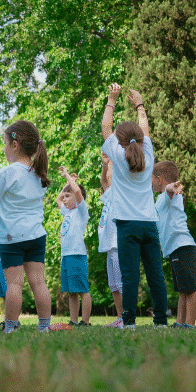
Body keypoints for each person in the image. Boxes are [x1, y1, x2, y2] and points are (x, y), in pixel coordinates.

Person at [101, 83, 168, 329]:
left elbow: (105, 127)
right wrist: (140, 105)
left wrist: (112, 99)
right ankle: (160, 322)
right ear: (140, 140)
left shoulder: (118, 158)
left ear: (119, 142)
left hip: (127, 225)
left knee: (129, 276)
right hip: (150, 224)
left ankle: (128, 323)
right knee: (156, 276)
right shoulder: (148, 156)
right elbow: (145, 131)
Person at [0, 120, 53, 333]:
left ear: (14, 145)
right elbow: (23, 201)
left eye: (4, 143)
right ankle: (44, 327)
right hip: (36, 236)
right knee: (39, 282)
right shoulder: (39, 172)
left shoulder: (7, 172)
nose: (3, 149)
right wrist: (0, 207)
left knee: (14, 284)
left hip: (12, 237)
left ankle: (10, 327)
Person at [152, 161, 196, 328]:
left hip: (183, 246)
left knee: (190, 289)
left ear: (159, 179)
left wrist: (172, 187)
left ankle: (190, 323)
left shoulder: (170, 195)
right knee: (182, 290)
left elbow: (170, 189)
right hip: (174, 249)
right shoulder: (160, 199)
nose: (150, 182)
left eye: (151, 179)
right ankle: (180, 322)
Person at [57, 166, 92, 327]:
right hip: (66, 256)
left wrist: (68, 178)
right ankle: (73, 320)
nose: (63, 199)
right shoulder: (67, 212)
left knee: (83, 290)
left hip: (77, 255)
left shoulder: (80, 211)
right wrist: (67, 186)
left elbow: (77, 193)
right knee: (71, 291)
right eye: (64, 196)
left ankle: (85, 321)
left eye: (67, 196)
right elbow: (58, 200)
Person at [98, 153, 124, 328]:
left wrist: (112, 161)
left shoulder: (120, 193)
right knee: (113, 285)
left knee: (121, 283)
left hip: (118, 244)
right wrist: (104, 164)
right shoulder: (108, 194)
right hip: (109, 246)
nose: (107, 178)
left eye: (110, 175)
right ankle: (120, 317)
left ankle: (127, 318)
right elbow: (103, 182)